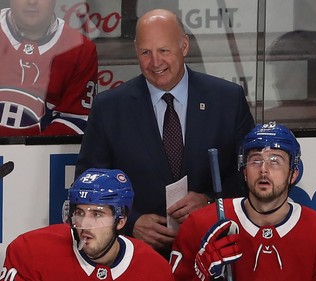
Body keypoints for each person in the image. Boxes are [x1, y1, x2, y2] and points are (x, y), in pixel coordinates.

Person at [74, 8, 254, 258]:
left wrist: (210, 203)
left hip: (211, 251)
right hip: (135, 256)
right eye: (146, 52)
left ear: (184, 46)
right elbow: (88, 183)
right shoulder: (109, 107)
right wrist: (131, 221)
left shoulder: (228, 99)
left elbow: (250, 174)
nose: (155, 62)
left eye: (164, 51)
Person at [170, 121, 316, 280]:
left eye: (275, 161)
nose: (264, 169)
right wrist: (200, 276)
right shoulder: (201, 224)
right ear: (244, 171)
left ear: (293, 174)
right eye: (255, 161)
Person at [1, 168, 175, 280]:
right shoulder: (30, 251)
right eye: (79, 213)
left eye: (97, 214)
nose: (84, 224)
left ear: (120, 221)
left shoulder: (154, 269)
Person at [0, 0, 98, 136]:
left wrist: (26, 155)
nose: (32, 2)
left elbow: (76, 121)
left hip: (42, 156)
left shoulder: (80, 49)